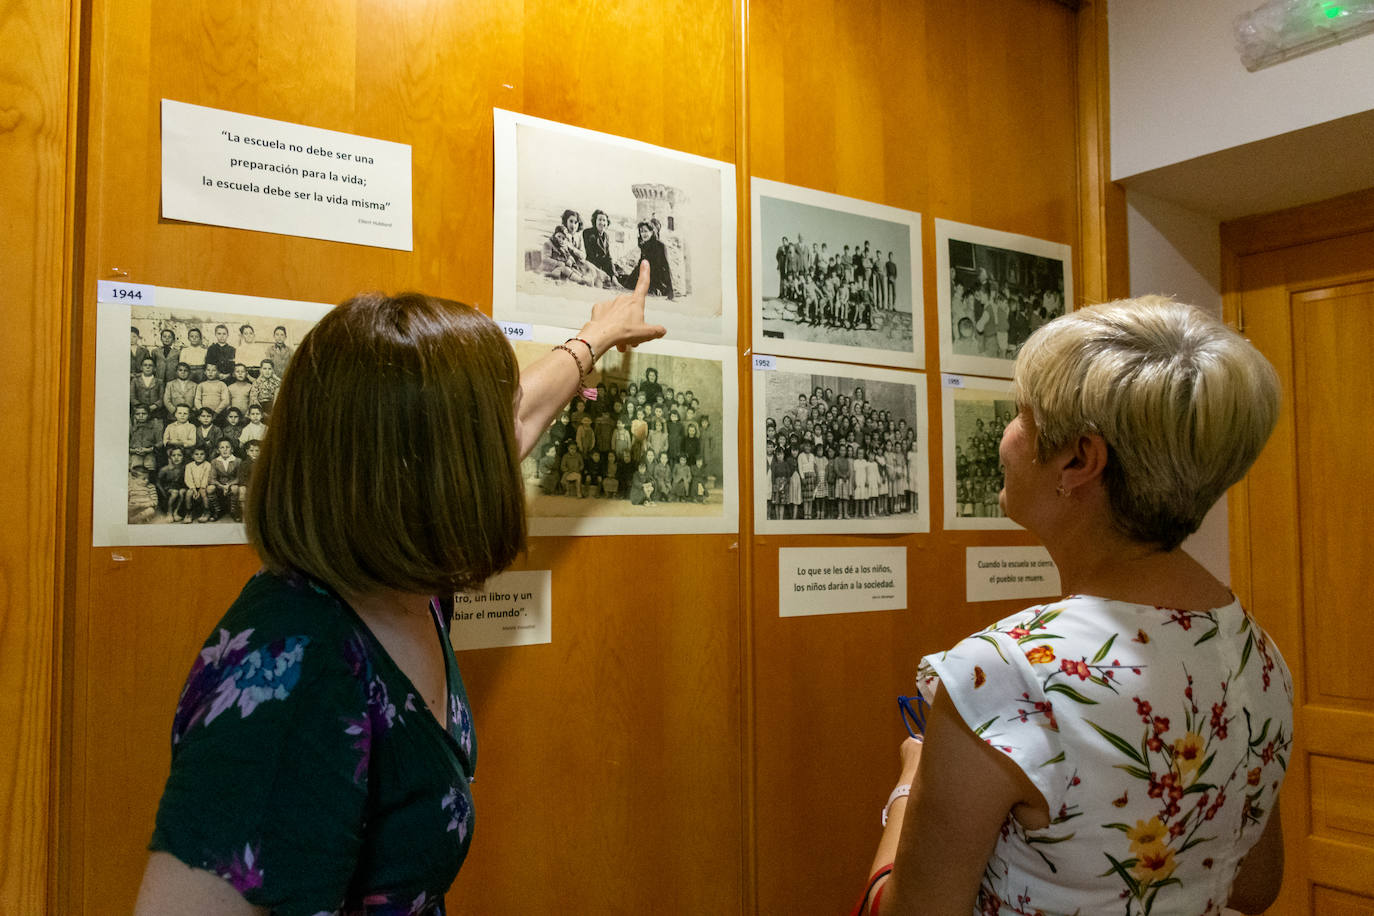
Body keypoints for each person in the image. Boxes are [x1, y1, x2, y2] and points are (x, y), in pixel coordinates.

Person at [134, 262, 664, 914]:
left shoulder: (402, 570)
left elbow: (518, 417)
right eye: (491, 431)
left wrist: (597, 335)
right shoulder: (291, 677)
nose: (509, 442)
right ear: (432, 472)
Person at [854, 298, 1292, 916]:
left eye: (1019, 415)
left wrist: (909, 785)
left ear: (1078, 460)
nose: (1006, 437)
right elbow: (1254, 885)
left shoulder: (1008, 673)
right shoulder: (1258, 656)